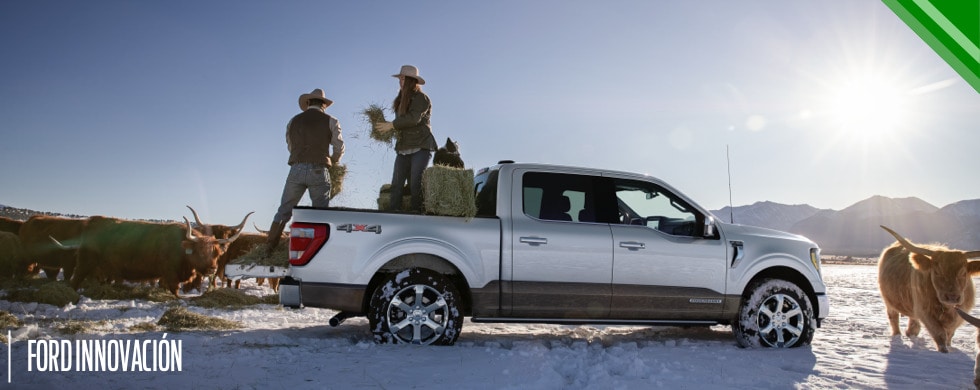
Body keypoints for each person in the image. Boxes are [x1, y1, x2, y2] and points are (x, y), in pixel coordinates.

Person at [265, 88, 345, 252]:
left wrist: (301, 159)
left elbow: (290, 146)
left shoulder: (293, 121)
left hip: (296, 169)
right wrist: (334, 162)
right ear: (324, 105)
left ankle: (268, 249)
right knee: (320, 213)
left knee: (284, 211)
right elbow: (339, 147)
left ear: (308, 103)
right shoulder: (331, 120)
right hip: (319, 169)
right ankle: (316, 251)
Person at [388, 64, 436, 212]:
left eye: (403, 78)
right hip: (403, 148)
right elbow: (400, 125)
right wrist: (388, 128)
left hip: (420, 147)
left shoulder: (422, 98)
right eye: (400, 78)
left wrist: (391, 125)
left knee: (416, 183)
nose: (400, 81)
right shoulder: (400, 100)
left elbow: (413, 119)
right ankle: (392, 214)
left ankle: (418, 214)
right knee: (396, 184)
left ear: (410, 80)